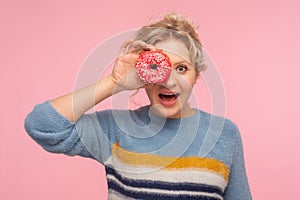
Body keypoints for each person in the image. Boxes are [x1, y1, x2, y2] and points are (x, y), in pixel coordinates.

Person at [24, 13, 252, 200]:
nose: (168, 80)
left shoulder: (224, 134)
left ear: (196, 76)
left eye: (181, 69)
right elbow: (43, 126)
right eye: (157, 68)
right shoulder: (116, 128)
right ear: (142, 74)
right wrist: (113, 83)